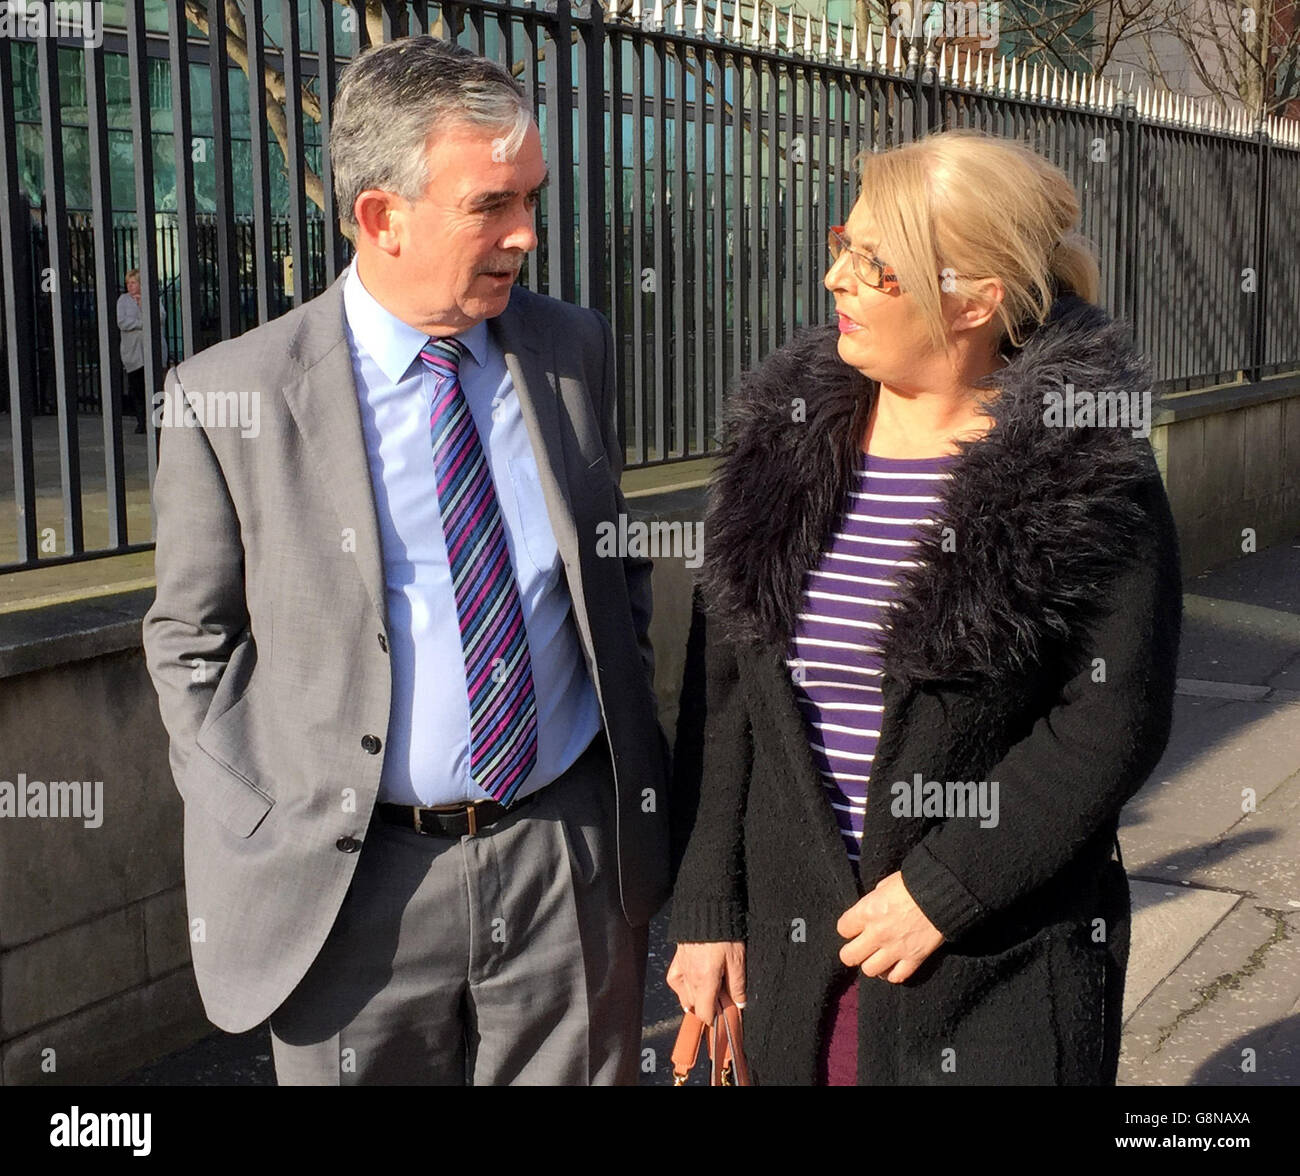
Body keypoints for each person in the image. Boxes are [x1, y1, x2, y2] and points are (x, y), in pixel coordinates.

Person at [142, 36, 671, 1085]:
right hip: (349, 894)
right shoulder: (229, 397)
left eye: (533, 196)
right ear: (380, 216)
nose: (526, 234)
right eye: (491, 205)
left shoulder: (569, 349)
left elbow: (608, 573)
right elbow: (189, 638)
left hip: (562, 857)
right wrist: (256, 814)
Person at [666, 127, 1182, 1085]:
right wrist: (708, 912)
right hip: (799, 959)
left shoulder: (1083, 467)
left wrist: (949, 888)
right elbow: (728, 696)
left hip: (994, 961)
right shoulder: (783, 451)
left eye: (876, 263)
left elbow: (1114, 717)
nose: (838, 282)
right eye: (842, 247)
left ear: (977, 298)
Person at [116, 268, 166, 433]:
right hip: (133, 352)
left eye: (133, 283)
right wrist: (144, 323)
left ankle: (157, 420)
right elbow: (123, 322)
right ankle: (141, 421)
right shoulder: (123, 300)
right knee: (137, 388)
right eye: (128, 283)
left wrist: (142, 306)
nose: (130, 287)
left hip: (152, 351)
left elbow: (159, 317)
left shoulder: (151, 298)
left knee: (155, 386)